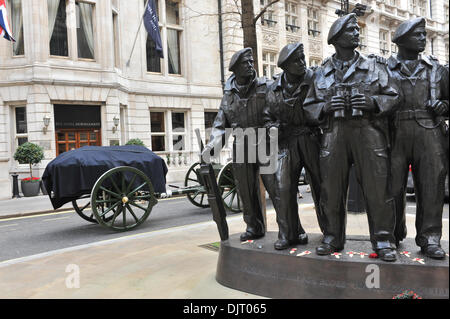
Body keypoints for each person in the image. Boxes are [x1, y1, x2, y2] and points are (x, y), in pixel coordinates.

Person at [303, 13, 399, 261]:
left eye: (357, 30)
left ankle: (384, 240)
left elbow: (393, 97)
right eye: (351, 30)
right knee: (331, 190)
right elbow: (309, 107)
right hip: (334, 134)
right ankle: (332, 237)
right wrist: (325, 107)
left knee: (378, 189)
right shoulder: (321, 72)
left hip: (368, 132)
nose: (357, 33)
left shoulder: (375, 65)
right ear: (336, 38)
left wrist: (372, 102)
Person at [387, 17, 449, 259]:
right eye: (419, 35)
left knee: (431, 187)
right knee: (391, 187)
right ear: (403, 40)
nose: (424, 38)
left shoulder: (437, 69)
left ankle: (430, 238)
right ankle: (392, 234)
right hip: (395, 131)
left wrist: (444, 105)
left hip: (430, 131)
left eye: (424, 34)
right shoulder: (384, 68)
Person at [202, 48, 271, 242]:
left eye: (251, 62)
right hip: (241, 143)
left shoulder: (265, 86)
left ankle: (288, 229)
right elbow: (220, 126)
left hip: (266, 141)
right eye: (245, 63)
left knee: (276, 187)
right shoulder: (228, 96)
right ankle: (253, 227)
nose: (250, 65)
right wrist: (210, 149)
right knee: (246, 190)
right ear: (235, 69)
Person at [264, 42, 323, 250]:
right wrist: (272, 126)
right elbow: (267, 116)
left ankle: (330, 232)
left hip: (310, 138)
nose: (302, 63)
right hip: (286, 142)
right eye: (297, 60)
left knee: (321, 186)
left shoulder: (314, 79)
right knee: (283, 187)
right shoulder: (273, 88)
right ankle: (288, 233)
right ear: (285, 66)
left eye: (302, 58)